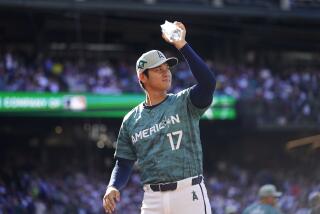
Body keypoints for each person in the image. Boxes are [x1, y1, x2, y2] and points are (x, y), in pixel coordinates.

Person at [102, 21, 216, 214]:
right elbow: (124, 162)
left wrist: (182, 45)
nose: (166, 72)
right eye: (158, 69)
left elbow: (208, 83)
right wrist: (113, 186)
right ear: (143, 78)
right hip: (152, 199)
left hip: (189, 193)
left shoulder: (184, 102)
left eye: (167, 68)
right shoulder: (131, 120)